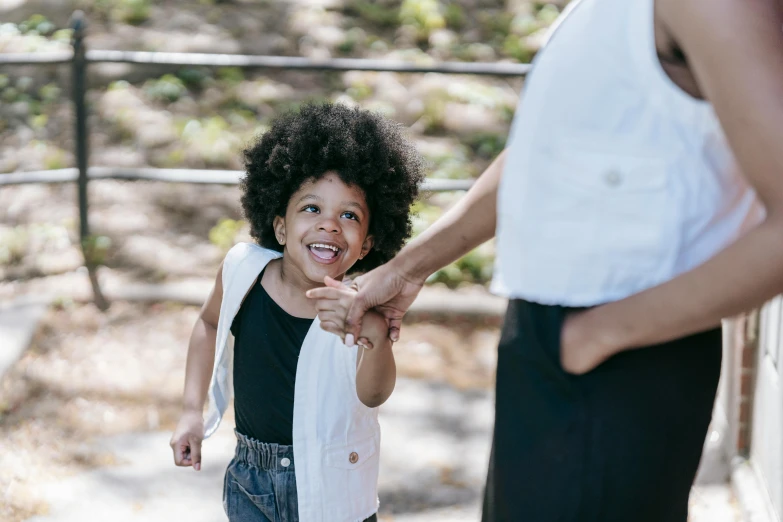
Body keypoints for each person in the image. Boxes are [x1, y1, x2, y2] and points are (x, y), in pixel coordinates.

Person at [306, 0, 783, 520]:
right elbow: (546, 151)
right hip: (557, 343)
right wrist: (405, 269)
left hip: (620, 357)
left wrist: (596, 335)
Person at [169, 102, 423, 522]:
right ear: (280, 226)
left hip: (335, 492)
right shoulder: (242, 272)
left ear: (366, 245)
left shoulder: (361, 310)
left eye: (349, 215)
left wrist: (375, 341)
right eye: (311, 208)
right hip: (251, 483)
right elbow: (210, 322)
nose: (329, 224)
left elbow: (374, 395)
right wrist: (192, 412)